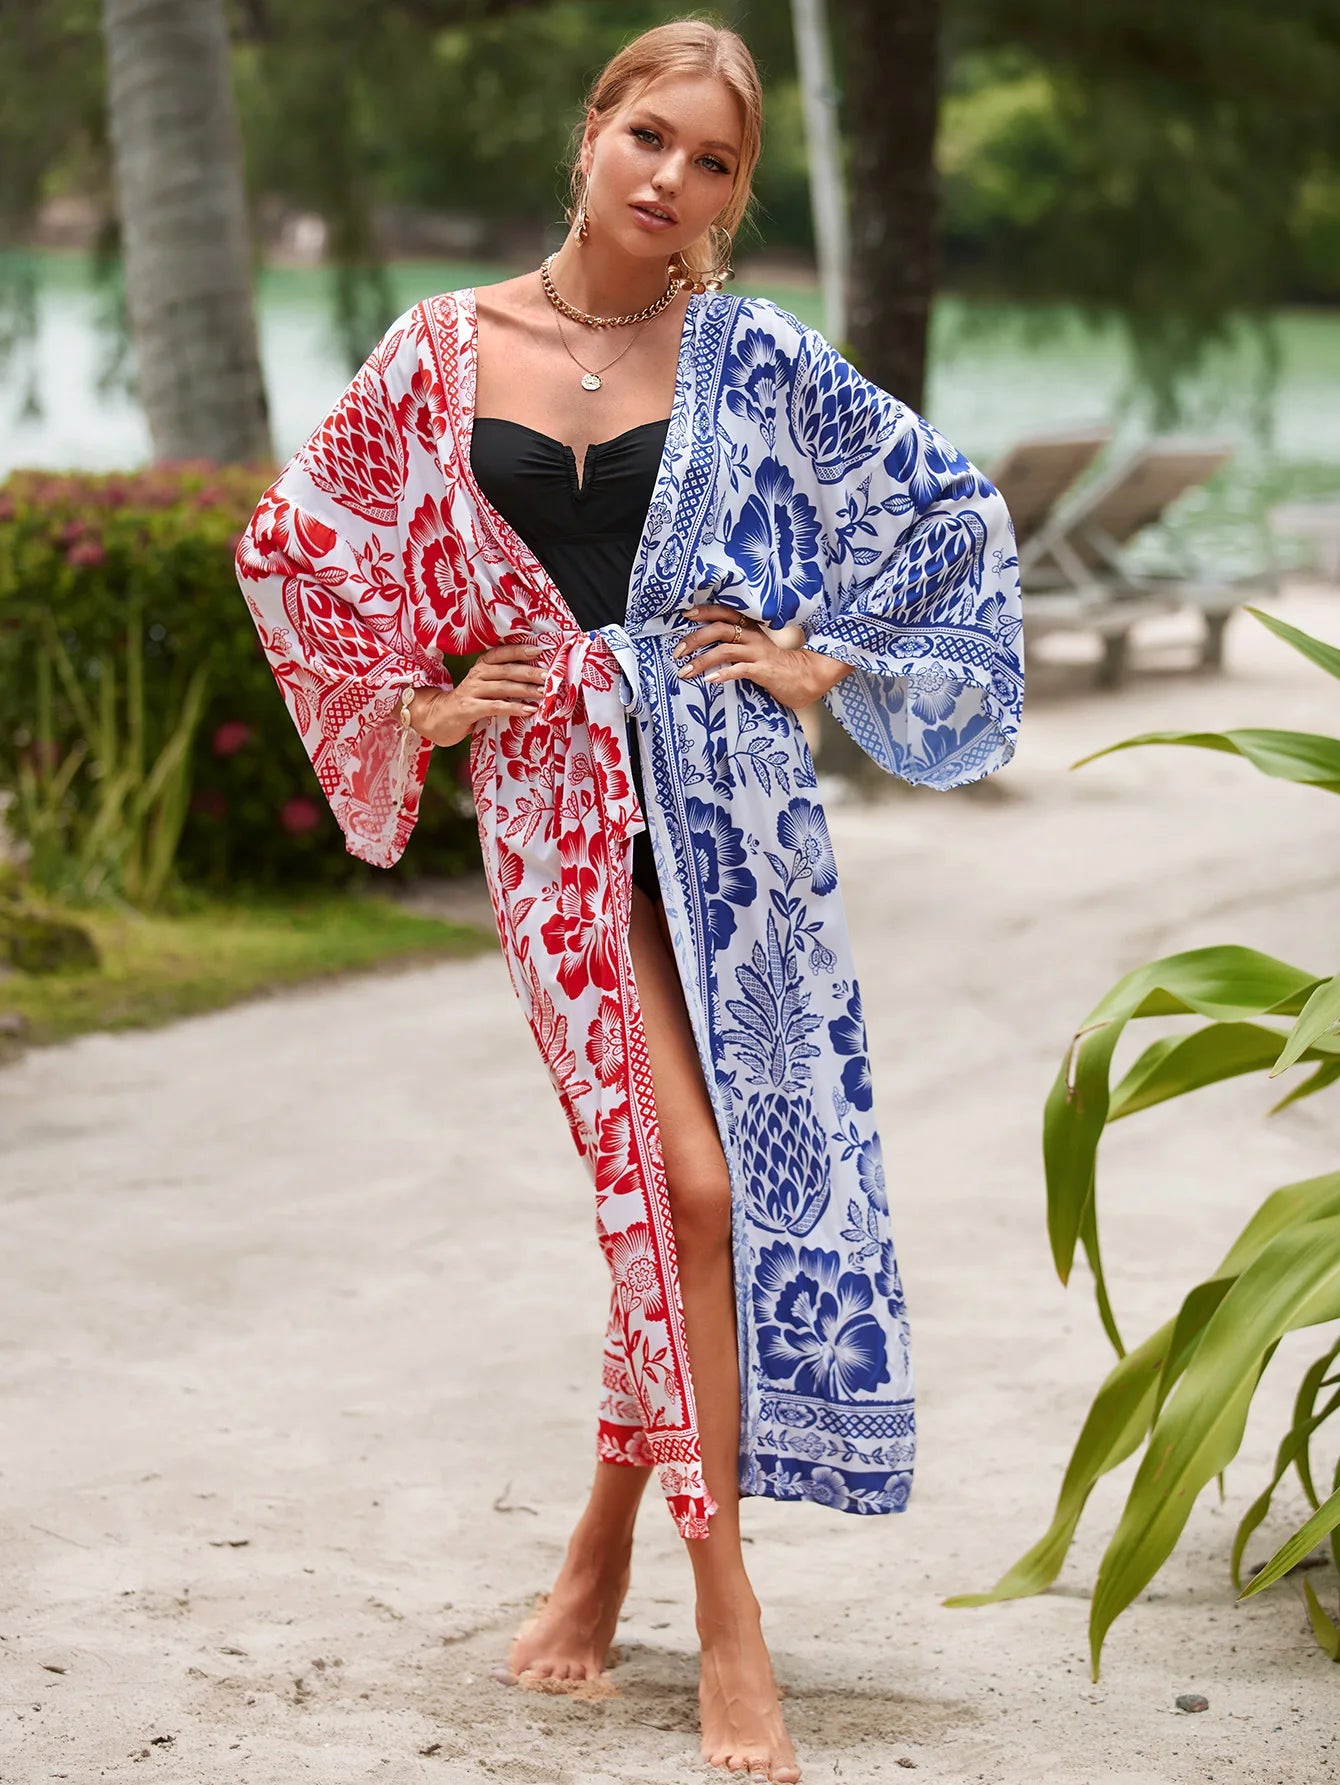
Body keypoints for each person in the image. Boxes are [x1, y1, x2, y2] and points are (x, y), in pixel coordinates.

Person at [234, 19, 1023, 1782]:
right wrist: (427, 704)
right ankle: (727, 1605)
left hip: (735, 826)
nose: (673, 179)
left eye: (714, 161)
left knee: (677, 1203)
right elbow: (296, 549)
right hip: (557, 819)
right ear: (594, 131)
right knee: (687, 1181)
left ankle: (594, 1564)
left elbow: (951, 518)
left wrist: (822, 662)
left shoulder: (755, 355)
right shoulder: (438, 350)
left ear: (736, 194)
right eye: (650, 136)